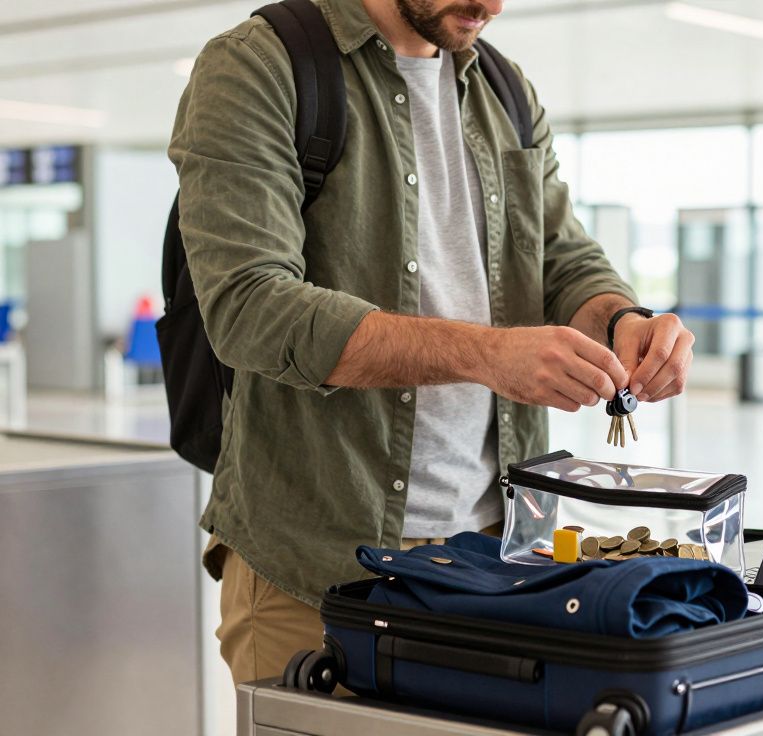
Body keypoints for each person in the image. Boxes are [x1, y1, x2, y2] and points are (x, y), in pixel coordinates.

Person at [169, 0, 694, 685]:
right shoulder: (260, 66)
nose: (491, 6)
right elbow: (250, 305)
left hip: (495, 557)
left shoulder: (505, 90)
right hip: (317, 571)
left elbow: (563, 259)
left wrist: (623, 318)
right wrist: (486, 355)